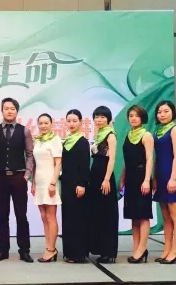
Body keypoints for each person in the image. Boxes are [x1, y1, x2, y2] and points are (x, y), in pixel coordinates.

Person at [0, 98, 34, 263]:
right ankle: (3, 251)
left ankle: (24, 251)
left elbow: (30, 154)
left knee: (21, 215)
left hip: (18, 177)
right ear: (2, 111)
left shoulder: (24, 131)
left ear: (17, 111)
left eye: (12, 108)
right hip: (0, 177)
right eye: (6, 108)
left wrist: (27, 175)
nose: (9, 111)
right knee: (2, 216)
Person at [153, 101, 176, 264]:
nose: (162, 114)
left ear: (172, 112)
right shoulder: (157, 131)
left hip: (172, 176)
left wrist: (173, 178)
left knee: (175, 215)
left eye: (166, 111)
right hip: (160, 175)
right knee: (165, 217)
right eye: (160, 112)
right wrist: (155, 178)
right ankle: (167, 249)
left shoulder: (175, 130)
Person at [121, 105, 154, 263]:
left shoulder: (146, 135)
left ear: (142, 118)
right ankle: (136, 248)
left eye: (136, 115)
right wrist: (122, 179)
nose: (133, 118)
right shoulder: (128, 135)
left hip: (142, 176)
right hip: (130, 178)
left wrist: (147, 180)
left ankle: (142, 248)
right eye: (131, 115)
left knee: (143, 215)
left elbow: (149, 158)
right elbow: (127, 160)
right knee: (133, 215)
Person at [87, 105, 119, 264]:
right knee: (96, 212)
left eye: (102, 117)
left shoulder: (111, 135)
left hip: (105, 175)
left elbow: (112, 159)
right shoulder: (98, 134)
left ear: (108, 119)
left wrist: (106, 179)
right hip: (94, 174)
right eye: (96, 117)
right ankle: (98, 248)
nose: (99, 120)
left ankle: (108, 251)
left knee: (107, 214)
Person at [60, 109, 90, 263]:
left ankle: (79, 253)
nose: (71, 124)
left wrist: (82, 184)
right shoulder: (66, 141)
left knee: (78, 219)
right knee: (68, 218)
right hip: (66, 184)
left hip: (78, 186)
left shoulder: (83, 142)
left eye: (74, 121)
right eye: (69, 121)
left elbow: (85, 165)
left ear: (80, 122)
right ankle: (69, 252)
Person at [32, 113, 62, 262]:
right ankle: (48, 247)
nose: (43, 126)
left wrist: (53, 183)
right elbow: (35, 164)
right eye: (41, 123)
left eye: (46, 123)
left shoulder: (55, 139)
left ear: (51, 124)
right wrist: (33, 183)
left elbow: (58, 163)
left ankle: (51, 249)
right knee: (44, 217)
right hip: (39, 182)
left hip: (50, 181)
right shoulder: (37, 141)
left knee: (51, 216)